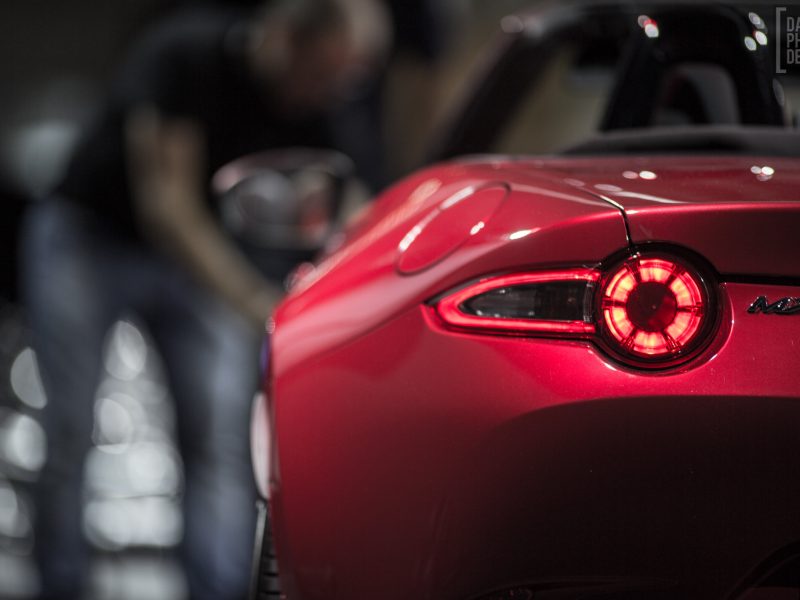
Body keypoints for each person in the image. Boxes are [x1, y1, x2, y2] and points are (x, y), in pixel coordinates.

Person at [20, 1, 390, 598]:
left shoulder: (318, 101)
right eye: (324, 74)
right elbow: (167, 207)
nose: (329, 93)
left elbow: (354, 204)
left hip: (189, 262)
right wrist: (258, 303)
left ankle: (216, 590)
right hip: (88, 240)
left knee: (217, 438)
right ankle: (59, 586)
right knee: (70, 427)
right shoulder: (184, 55)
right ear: (287, 41)